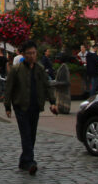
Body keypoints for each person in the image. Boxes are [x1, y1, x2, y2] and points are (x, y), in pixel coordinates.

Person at [4, 40, 58, 175]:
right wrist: (7, 106)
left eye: (34, 53)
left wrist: (52, 102)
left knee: (32, 135)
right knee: (26, 134)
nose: (31, 56)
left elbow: (47, 85)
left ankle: (24, 161)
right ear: (23, 54)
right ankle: (30, 162)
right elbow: (9, 88)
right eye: (29, 53)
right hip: (20, 105)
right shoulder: (16, 70)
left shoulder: (40, 68)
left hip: (35, 105)